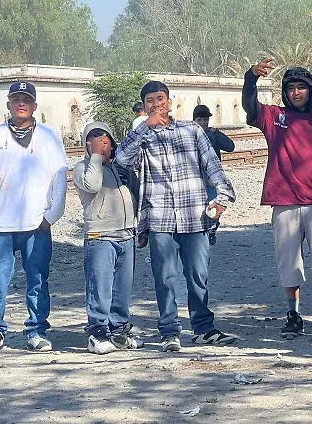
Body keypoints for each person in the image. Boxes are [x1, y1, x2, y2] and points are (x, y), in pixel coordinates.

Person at [115, 81, 237, 351]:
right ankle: (169, 331)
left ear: (170, 102)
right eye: (150, 101)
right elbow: (121, 160)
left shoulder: (191, 130)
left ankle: (203, 327)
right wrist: (144, 126)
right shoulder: (142, 137)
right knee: (165, 277)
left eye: (161, 99)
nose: (156, 104)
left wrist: (222, 197)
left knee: (197, 274)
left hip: (195, 214)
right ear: (144, 106)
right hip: (160, 219)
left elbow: (212, 167)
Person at [242, 60, 312, 339]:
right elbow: (249, 105)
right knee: (289, 263)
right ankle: (293, 314)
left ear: (310, 90)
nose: (296, 92)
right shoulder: (273, 117)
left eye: (302, 87)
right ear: (284, 91)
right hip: (284, 201)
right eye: (291, 88)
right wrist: (251, 78)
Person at [0, 81, 69, 355]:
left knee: (37, 280)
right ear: (9, 104)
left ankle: (36, 331)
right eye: (16, 99)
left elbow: (60, 175)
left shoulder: (48, 135)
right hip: (2, 224)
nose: (21, 104)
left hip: (37, 224)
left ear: (35, 105)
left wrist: (52, 215)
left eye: (26, 99)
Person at [73, 122, 143, 355]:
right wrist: (94, 157)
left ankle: (120, 331)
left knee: (122, 289)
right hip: (100, 235)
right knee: (100, 288)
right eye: (94, 139)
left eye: (105, 139)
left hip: (126, 234)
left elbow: (137, 191)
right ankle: (97, 333)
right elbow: (92, 185)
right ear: (86, 144)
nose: (101, 143)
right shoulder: (82, 168)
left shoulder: (119, 168)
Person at [193, 104, 235, 246]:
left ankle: (212, 229)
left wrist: (217, 134)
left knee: (213, 205)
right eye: (200, 120)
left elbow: (230, 147)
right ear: (194, 121)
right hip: (195, 179)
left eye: (205, 120)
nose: (203, 123)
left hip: (212, 180)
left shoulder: (213, 134)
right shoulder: (189, 135)